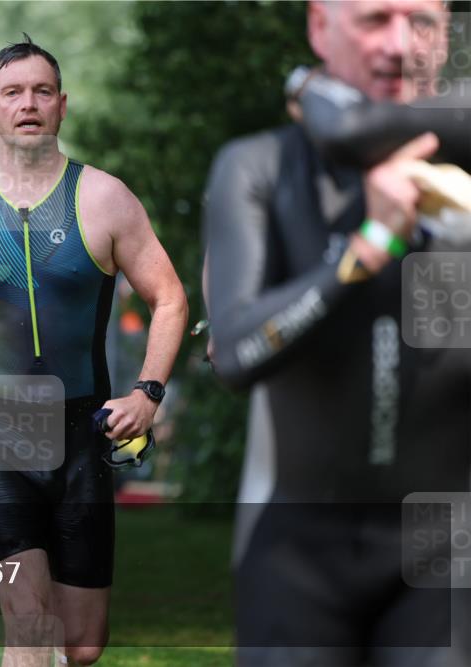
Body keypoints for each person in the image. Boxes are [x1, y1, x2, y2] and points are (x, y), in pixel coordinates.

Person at [0, 36, 188, 665]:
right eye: (13, 92)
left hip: (83, 430)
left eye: (42, 91)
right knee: (30, 623)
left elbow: (169, 298)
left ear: (62, 106)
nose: (28, 103)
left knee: (82, 645)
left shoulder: (105, 198)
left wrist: (149, 392)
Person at [202, 2, 470, 665]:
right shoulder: (258, 166)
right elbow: (236, 352)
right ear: (321, 27)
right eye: (375, 19)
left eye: (423, 23)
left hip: (441, 547)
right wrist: (365, 249)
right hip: (299, 550)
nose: (401, 44)